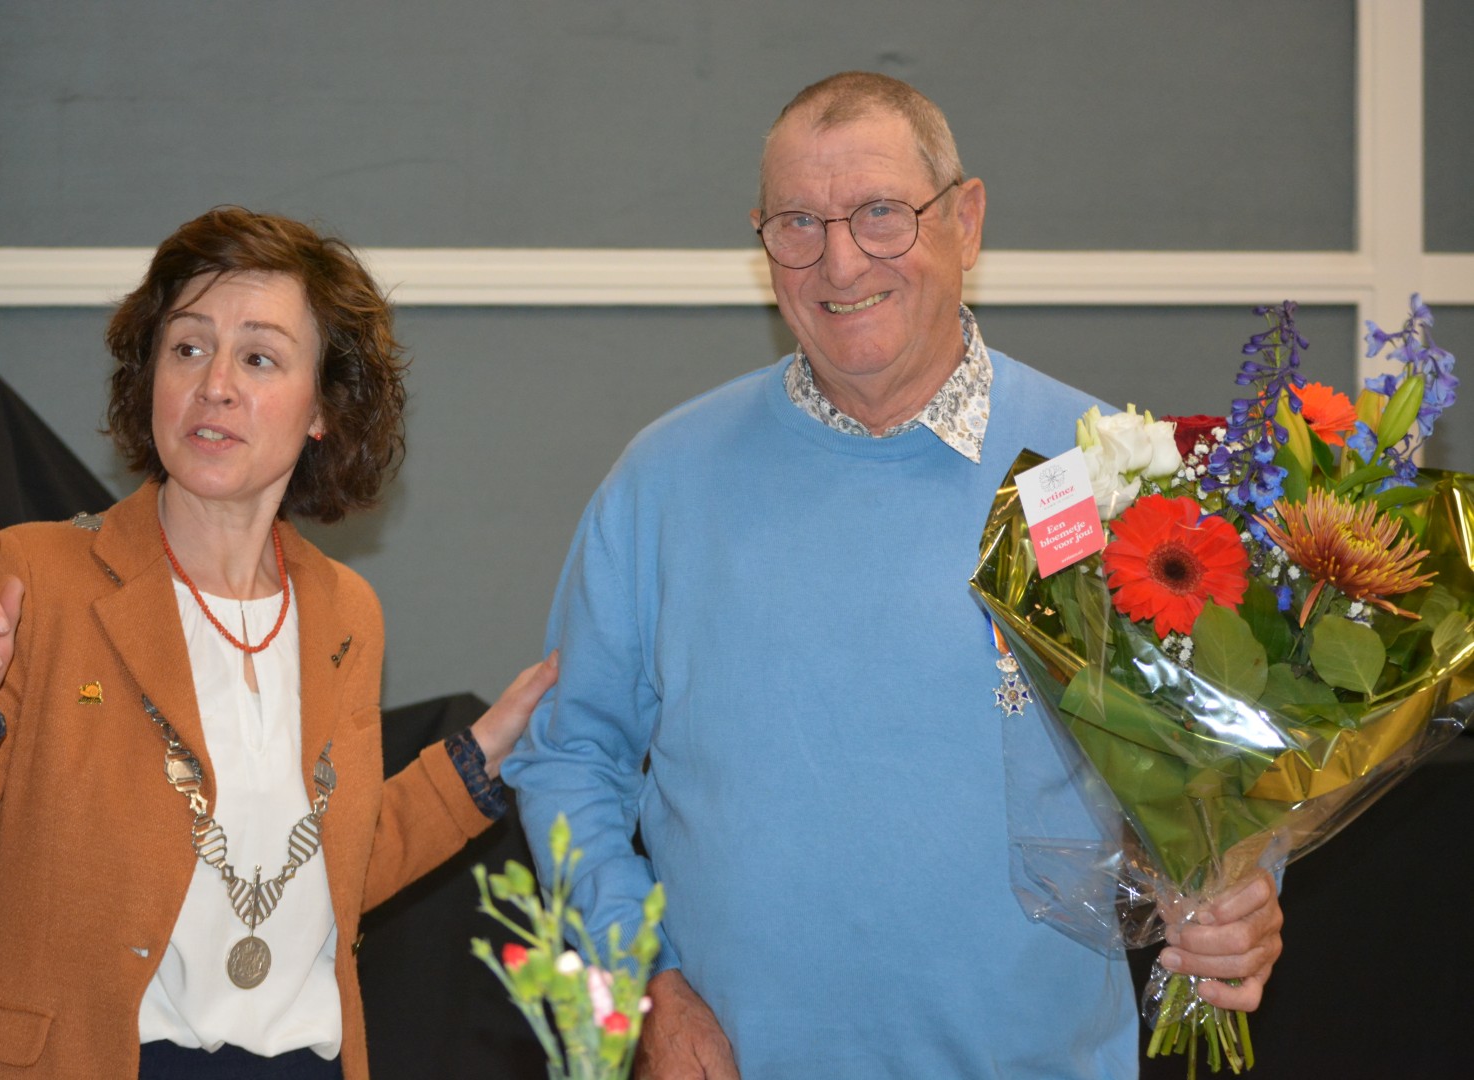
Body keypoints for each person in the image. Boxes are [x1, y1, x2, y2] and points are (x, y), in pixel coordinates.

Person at [504, 73, 1282, 1079]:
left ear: (967, 221)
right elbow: (571, 759)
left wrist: (1240, 888)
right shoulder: (663, 482)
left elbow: (1222, 758)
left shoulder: (1101, 472)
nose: (839, 261)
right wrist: (637, 978)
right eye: (797, 222)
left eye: (881, 213)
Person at [0, 207, 557, 1079]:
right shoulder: (37, 580)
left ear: (323, 410)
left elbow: (318, 877)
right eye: (187, 348)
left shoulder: (347, 613)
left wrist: (482, 759)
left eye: (258, 358)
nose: (214, 384)